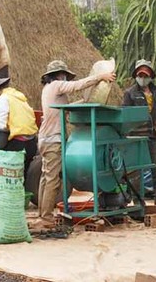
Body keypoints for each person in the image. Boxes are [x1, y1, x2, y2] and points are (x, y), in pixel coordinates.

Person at [37, 60, 116, 226]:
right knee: (52, 179)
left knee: (46, 177)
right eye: (63, 74)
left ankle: (42, 214)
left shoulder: (48, 90)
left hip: (44, 138)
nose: (64, 77)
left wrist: (83, 101)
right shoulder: (57, 85)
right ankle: (45, 218)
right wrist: (101, 76)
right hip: (53, 139)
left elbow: (65, 108)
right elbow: (78, 85)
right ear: (58, 75)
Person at [122, 59, 156, 206]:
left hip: (151, 136)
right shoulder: (129, 94)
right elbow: (124, 115)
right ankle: (138, 201)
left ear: (150, 76)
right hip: (135, 138)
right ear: (136, 76)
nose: (142, 78)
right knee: (136, 171)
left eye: (145, 75)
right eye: (140, 75)